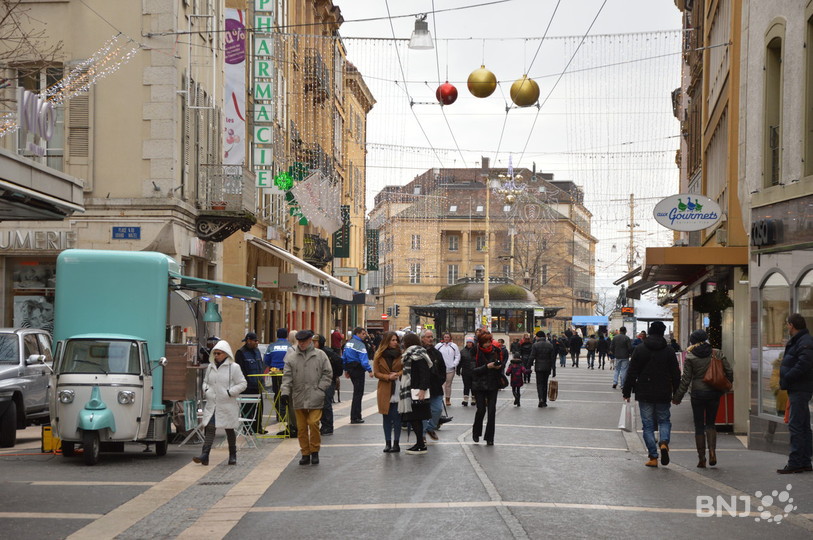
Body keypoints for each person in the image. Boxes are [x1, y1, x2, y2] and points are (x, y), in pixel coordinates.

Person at [622, 321, 681, 468]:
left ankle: (653, 457)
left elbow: (632, 372)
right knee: (664, 420)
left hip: (644, 391)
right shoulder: (669, 351)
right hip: (664, 390)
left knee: (647, 425)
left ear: (650, 332)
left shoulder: (640, 349)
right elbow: (675, 373)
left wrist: (626, 391)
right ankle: (664, 442)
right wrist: (677, 393)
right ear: (662, 332)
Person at [672, 329, 733, 468]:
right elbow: (729, 371)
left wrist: (677, 397)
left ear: (693, 341)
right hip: (714, 392)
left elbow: (686, 379)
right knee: (711, 424)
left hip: (697, 394)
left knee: (699, 425)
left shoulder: (690, 356)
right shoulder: (717, 353)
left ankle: (702, 458)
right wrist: (725, 385)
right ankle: (712, 451)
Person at [281, 330, 333, 466]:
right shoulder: (292, 357)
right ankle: (305, 453)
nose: (301, 344)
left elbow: (327, 373)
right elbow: (287, 377)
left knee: (313, 423)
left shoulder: (320, 355)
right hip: (298, 396)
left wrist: (320, 388)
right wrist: (285, 393)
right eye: (300, 341)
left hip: (315, 395)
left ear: (310, 340)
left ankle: (314, 450)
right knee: (301, 427)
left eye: (304, 341)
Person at [194, 339, 247, 466]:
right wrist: (206, 390)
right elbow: (205, 382)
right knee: (210, 427)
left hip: (227, 404)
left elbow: (242, 383)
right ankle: (205, 454)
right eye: (215, 353)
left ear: (226, 353)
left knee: (229, 429)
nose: (216, 356)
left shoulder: (234, 367)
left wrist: (230, 392)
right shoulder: (211, 367)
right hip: (213, 403)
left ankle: (232, 454)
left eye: (219, 353)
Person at [777, 313, 813, 474]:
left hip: (800, 388)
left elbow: (804, 363)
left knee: (796, 425)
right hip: (799, 387)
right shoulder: (801, 340)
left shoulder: (804, 342)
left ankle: (795, 462)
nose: (787, 327)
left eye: (787, 324)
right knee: (803, 425)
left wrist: (788, 376)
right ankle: (805, 461)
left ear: (791, 325)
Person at [399, 333, 432, 455]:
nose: (402, 344)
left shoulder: (417, 355)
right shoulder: (411, 354)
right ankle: (419, 443)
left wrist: (422, 389)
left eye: (404, 341)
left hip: (416, 391)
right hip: (412, 390)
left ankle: (420, 445)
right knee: (414, 419)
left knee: (415, 418)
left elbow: (424, 373)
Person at [471, 331, 504, 445]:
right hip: (479, 385)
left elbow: (501, 365)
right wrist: (487, 367)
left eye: (489, 341)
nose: (488, 344)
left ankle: (490, 438)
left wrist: (499, 366)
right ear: (480, 342)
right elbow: (473, 370)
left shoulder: (496, 350)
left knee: (491, 411)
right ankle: (476, 432)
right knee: (481, 410)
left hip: (493, 383)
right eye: (485, 342)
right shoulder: (475, 351)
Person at [373, 331, 403, 453]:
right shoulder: (379, 355)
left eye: (396, 340)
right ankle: (387, 443)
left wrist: (397, 374)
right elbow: (376, 373)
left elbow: (406, 369)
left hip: (398, 387)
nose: (395, 342)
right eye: (393, 340)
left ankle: (396, 443)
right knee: (386, 417)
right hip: (384, 388)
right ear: (387, 341)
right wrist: (387, 377)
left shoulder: (401, 354)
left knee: (397, 417)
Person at [264, 328, 296, 436]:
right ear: (287, 336)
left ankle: (279, 415)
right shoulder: (290, 346)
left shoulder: (272, 346)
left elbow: (266, 360)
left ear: (277, 335)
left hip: (275, 372)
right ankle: (286, 415)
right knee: (286, 393)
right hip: (286, 372)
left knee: (277, 392)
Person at [234, 332, 265, 434]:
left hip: (258, 385)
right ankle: (247, 429)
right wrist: (244, 383)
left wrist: (262, 381)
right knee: (247, 408)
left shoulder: (257, 351)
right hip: (247, 386)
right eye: (255, 341)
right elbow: (240, 370)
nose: (257, 342)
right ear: (248, 341)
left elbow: (260, 366)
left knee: (259, 408)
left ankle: (258, 428)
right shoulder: (241, 353)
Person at [343, 326, 374, 424]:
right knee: (358, 393)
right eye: (363, 334)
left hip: (350, 368)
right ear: (357, 334)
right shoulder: (360, 345)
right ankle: (356, 416)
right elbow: (363, 359)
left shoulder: (348, 343)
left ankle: (355, 416)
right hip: (358, 369)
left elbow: (344, 357)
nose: (365, 336)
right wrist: (369, 370)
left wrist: (346, 370)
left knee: (356, 392)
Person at [315, 334, 342, 436]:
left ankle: (328, 426)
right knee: (321, 403)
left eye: (314, 342)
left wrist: (335, 375)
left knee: (326, 403)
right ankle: (323, 425)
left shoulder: (327, 352)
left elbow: (339, 362)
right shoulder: (314, 352)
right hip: (318, 381)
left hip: (329, 381)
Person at [422, 330, 445, 441]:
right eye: (428, 337)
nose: (430, 339)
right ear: (422, 338)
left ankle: (430, 428)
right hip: (422, 388)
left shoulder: (437, 353)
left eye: (432, 337)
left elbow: (443, 369)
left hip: (436, 387)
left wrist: (440, 380)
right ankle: (422, 435)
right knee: (422, 413)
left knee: (437, 410)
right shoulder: (419, 353)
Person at [531, 331, 556, 408]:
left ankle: (541, 399)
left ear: (538, 337)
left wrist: (528, 366)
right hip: (547, 367)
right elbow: (553, 358)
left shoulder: (535, 345)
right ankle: (544, 401)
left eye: (536, 336)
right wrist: (553, 369)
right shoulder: (550, 345)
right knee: (545, 384)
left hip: (538, 367)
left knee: (539, 384)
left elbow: (532, 356)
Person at [435, 332, 460, 407]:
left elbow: (457, 355)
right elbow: (434, 355)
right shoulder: (438, 345)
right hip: (440, 369)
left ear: (450, 338)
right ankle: (440, 399)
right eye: (445, 337)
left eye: (448, 337)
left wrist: (454, 364)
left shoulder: (454, 346)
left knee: (448, 385)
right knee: (440, 385)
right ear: (443, 338)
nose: (446, 338)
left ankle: (447, 399)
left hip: (450, 369)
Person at [457, 335, 476, 406]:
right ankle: (465, 399)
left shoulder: (476, 351)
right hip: (465, 371)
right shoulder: (463, 351)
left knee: (473, 385)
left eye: (470, 342)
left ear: (472, 343)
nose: (469, 344)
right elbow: (460, 361)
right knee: (466, 385)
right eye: (468, 342)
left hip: (474, 371)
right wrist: (458, 369)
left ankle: (473, 399)